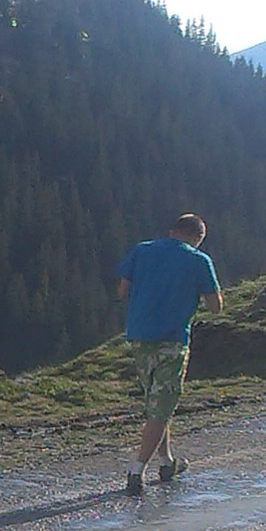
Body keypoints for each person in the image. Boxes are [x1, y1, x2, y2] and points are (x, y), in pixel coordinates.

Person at [114, 212, 223, 495]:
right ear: (198, 238)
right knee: (162, 406)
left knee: (156, 403)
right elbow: (216, 307)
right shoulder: (199, 260)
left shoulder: (142, 250)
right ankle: (137, 469)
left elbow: (122, 291)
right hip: (172, 340)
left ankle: (166, 462)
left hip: (139, 336)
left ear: (172, 230)